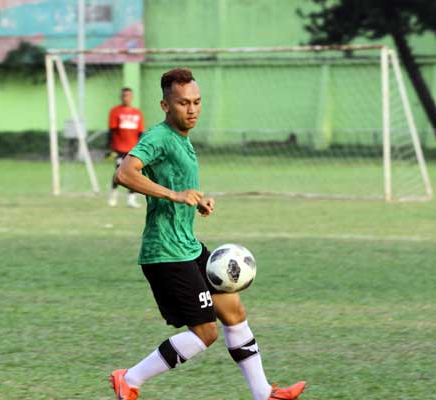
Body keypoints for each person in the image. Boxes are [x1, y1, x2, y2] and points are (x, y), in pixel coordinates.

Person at [109, 68, 306, 400]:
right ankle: (129, 379)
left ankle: (264, 394)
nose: (192, 109)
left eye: (197, 102)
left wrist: (195, 202)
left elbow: (178, 188)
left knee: (234, 312)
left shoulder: (183, 139)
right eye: (183, 102)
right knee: (205, 333)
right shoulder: (158, 137)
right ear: (165, 105)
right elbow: (124, 173)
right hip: (166, 253)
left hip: (187, 245)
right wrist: (175, 195)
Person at [107, 87, 145, 208]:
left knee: (134, 173)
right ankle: (113, 193)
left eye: (128, 95)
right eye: (124, 95)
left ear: (132, 97)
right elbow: (111, 131)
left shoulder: (137, 113)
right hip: (119, 148)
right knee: (119, 172)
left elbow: (140, 132)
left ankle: (131, 199)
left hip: (133, 149)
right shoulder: (115, 111)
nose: (126, 98)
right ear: (121, 97)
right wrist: (110, 147)